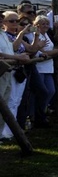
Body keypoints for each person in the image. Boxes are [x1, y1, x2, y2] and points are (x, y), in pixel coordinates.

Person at [0, 11, 32, 141]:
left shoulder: (3, 34)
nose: (0, 22)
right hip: (1, 72)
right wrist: (17, 57)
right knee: (5, 103)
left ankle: (2, 134)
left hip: (8, 71)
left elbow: (11, 49)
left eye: (1, 19)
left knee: (7, 103)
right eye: (11, 21)